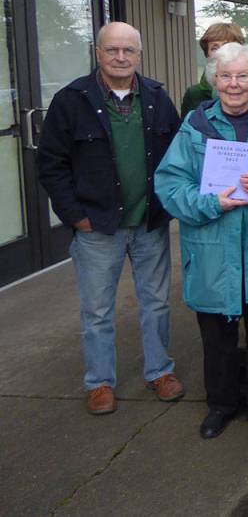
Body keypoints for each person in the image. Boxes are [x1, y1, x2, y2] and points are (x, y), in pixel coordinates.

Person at [37, 21, 184, 415]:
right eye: (112, 50)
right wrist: (74, 215)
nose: (120, 57)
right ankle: (99, 382)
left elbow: (176, 155)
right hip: (97, 226)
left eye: (128, 50)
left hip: (148, 222)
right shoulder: (72, 101)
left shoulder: (155, 96)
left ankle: (160, 371)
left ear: (139, 54)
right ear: (97, 53)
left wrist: (170, 202)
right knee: (97, 309)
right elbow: (50, 164)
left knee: (156, 303)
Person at [155, 43, 248, 439]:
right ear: (213, 80)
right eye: (225, 76)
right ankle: (221, 404)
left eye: (243, 75)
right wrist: (211, 202)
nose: (234, 84)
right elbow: (170, 183)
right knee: (217, 338)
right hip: (213, 247)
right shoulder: (195, 125)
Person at [180, 22, 248, 115]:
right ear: (207, 54)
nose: (222, 52)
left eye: (228, 46)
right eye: (215, 48)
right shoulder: (194, 94)